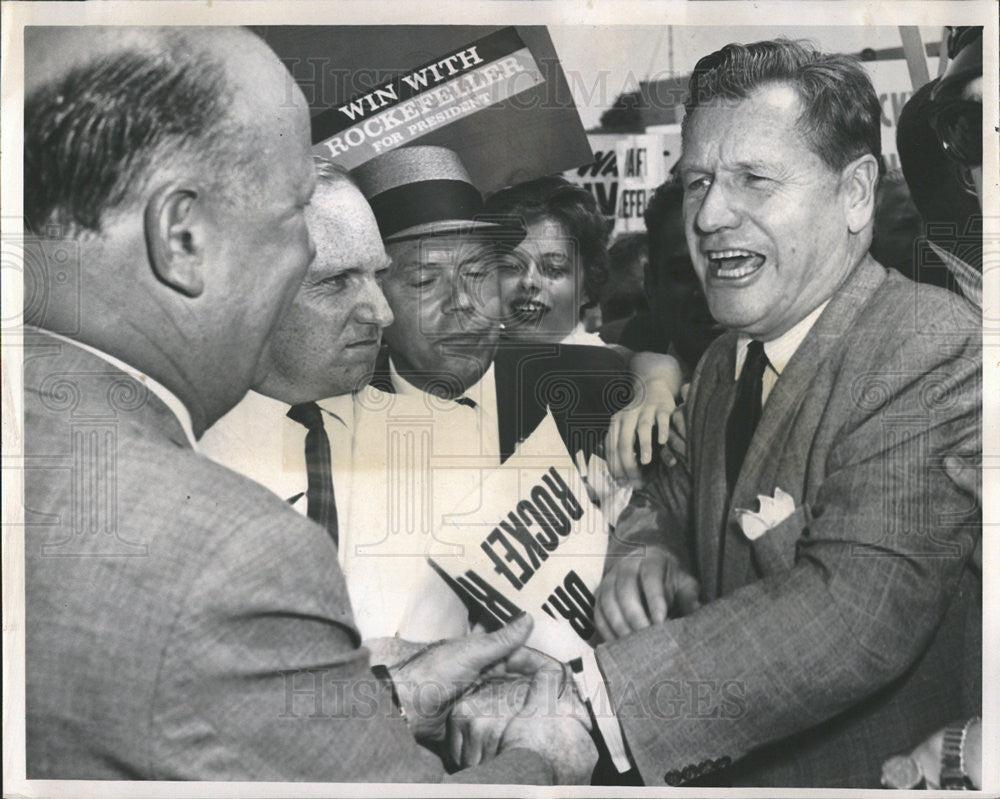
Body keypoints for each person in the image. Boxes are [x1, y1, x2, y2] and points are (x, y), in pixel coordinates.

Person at [23, 26, 595, 784]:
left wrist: (388, 692)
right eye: (296, 213)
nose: (383, 311)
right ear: (182, 235)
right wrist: (544, 762)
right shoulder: (228, 545)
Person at [586, 40, 980, 787]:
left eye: (752, 181)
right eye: (698, 181)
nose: (707, 216)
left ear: (857, 193)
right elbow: (663, 493)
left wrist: (597, 701)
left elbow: (851, 617)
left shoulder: (930, 346)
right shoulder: (719, 363)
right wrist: (646, 551)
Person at [485, 176, 611, 347]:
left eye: (553, 270)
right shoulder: (472, 367)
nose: (528, 282)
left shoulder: (615, 367)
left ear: (587, 287)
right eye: (511, 266)